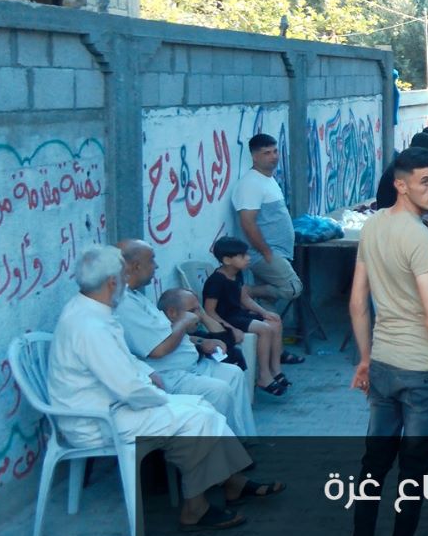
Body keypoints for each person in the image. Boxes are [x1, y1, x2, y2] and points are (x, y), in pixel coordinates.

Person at [51, 246, 279, 533]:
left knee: (200, 409)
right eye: (122, 276)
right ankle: (198, 507)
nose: (125, 282)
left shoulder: (89, 311)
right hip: (96, 418)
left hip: (111, 405)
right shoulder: (90, 326)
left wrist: (148, 374)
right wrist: (162, 396)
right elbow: (128, 388)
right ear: (112, 282)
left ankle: (229, 484)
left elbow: (125, 360)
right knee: (198, 416)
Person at [344, 145, 428, 536]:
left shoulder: (373, 225)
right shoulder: (419, 236)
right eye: (425, 181)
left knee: (373, 466)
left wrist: (365, 357)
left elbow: (358, 302)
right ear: (400, 185)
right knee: (413, 471)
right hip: (423, 370)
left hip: (384, 365)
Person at [115, 240, 252, 437]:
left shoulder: (136, 296)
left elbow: (164, 332)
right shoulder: (124, 304)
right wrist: (184, 321)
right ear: (136, 266)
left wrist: (200, 342)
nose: (156, 266)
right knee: (219, 390)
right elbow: (158, 350)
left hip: (189, 364)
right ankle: (221, 445)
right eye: (152, 260)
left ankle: (243, 438)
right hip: (169, 374)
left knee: (233, 373)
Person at [203, 236, 295, 396]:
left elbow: (244, 298)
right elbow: (209, 311)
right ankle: (264, 376)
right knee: (264, 329)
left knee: (275, 321)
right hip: (226, 319)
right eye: (242, 256)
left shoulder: (236, 274)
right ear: (227, 260)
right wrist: (230, 329)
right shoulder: (216, 281)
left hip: (237, 314)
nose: (248, 258)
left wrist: (264, 312)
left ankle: (276, 370)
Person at [230, 133, 302, 311]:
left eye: (275, 151)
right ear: (255, 157)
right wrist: (266, 252)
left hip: (277, 251)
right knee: (292, 288)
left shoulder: (267, 179)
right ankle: (247, 291)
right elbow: (248, 223)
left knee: (267, 305)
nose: (274, 156)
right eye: (267, 153)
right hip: (265, 253)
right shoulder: (250, 183)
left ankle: (269, 328)